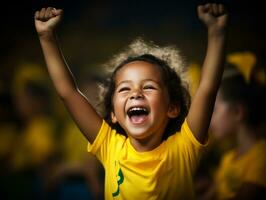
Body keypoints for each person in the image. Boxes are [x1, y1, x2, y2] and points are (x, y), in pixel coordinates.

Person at [34, 3, 228, 199]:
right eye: (125, 88)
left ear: (172, 108)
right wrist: (47, 38)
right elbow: (68, 92)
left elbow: (207, 89)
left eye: (149, 87)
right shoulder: (109, 146)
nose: (135, 94)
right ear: (113, 114)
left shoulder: (184, 148)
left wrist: (216, 33)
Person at [201, 69, 266, 200]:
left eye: (214, 109)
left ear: (237, 112)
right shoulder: (228, 159)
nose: (208, 117)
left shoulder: (262, 157)